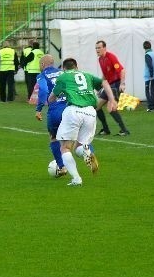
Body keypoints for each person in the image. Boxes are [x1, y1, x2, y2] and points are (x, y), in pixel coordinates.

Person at [48, 57, 117, 186]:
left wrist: (50, 101)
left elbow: (52, 97)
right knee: (79, 146)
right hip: (90, 112)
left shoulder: (63, 77)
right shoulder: (87, 75)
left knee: (65, 147)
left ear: (64, 68)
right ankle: (87, 152)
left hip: (74, 110)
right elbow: (105, 83)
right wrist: (112, 100)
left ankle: (76, 179)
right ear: (76, 67)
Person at [95, 40, 130, 136]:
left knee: (111, 108)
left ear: (104, 48)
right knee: (96, 107)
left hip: (116, 84)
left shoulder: (111, 57)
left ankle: (124, 130)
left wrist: (122, 84)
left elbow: (122, 70)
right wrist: (99, 85)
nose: (97, 50)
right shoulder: (100, 59)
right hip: (108, 86)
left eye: (99, 47)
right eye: (96, 48)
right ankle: (106, 129)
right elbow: (105, 74)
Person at [143, 41, 154, 112]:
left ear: (144, 47)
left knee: (148, 91)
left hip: (149, 76)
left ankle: (150, 107)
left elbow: (150, 66)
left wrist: (151, 75)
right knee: (152, 91)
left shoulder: (147, 55)